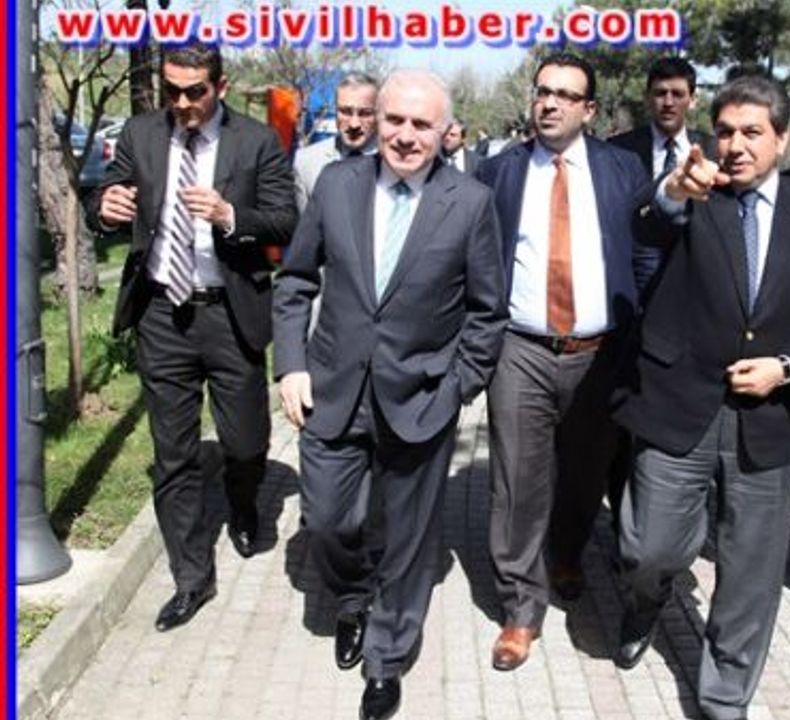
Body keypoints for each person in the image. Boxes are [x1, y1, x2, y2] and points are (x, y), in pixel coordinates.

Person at [612, 74, 790, 720]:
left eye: (752, 132)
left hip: (769, 417)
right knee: (649, 547)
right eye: (725, 132)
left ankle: (725, 696)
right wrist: (672, 191)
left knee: (750, 571)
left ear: (783, 138)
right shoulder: (697, 191)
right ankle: (646, 599)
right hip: (679, 403)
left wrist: (788, 367)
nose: (736, 146)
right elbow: (645, 223)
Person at [273, 69, 507, 720]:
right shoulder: (337, 184)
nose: (406, 136)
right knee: (327, 521)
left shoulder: (470, 203)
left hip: (423, 399)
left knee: (408, 539)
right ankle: (352, 596)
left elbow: (487, 312)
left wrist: (459, 386)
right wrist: (290, 364)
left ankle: (386, 656)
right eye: (395, 120)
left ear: (445, 132)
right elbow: (295, 280)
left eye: (421, 124)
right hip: (332, 391)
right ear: (375, 120)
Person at [86, 42, 296, 632]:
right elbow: (106, 195)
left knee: (246, 442)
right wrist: (104, 207)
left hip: (230, 314)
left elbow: (285, 220)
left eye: (195, 91)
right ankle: (191, 578)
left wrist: (230, 216)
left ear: (220, 87)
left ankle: (244, 500)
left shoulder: (256, 141)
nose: (182, 103)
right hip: (162, 314)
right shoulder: (142, 133)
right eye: (172, 91)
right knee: (173, 455)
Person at [474, 52, 655, 673]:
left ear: (590, 110)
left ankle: (568, 552)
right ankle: (520, 608)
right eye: (542, 91)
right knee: (516, 482)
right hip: (520, 348)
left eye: (565, 95)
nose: (549, 103)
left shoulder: (622, 170)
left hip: (598, 353)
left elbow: (644, 253)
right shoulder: (499, 172)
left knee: (584, 471)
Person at [609, 56, 715, 179]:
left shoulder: (713, 150)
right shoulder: (619, 149)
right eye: (660, 93)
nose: (668, 103)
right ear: (647, 98)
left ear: (692, 100)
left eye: (677, 94)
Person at [293, 72, 379, 213]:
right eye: (345, 112)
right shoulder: (306, 162)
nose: (354, 124)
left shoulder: (394, 163)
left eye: (365, 113)